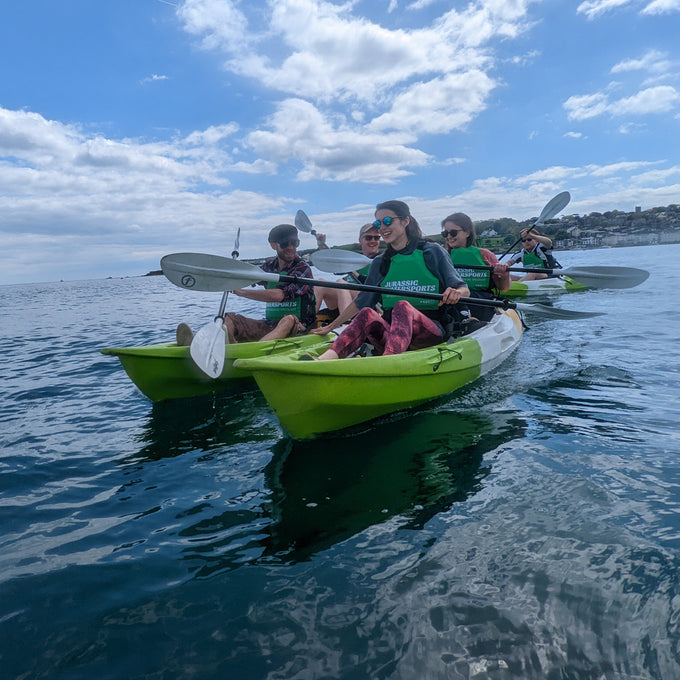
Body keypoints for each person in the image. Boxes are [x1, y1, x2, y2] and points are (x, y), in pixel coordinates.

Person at [306, 200, 470, 360]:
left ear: (406, 221)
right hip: (392, 333)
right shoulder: (380, 262)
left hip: (431, 331)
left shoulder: (432, 252)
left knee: (402, 306)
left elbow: (464, 290)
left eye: (387, 221)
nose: (382, 228)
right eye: (378, 224)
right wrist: (331, 326)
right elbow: (362, 302)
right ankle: (324, 359)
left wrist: (456, 292)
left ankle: (387, 362)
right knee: (367, 313)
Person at [176, 224, 316, 345]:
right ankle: (219, 346)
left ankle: (254, 351)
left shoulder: (303, 268)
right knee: (230, 319)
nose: (291, 247)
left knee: (288, 319)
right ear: (274, 245)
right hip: (270, 325)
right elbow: (246, 275)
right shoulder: (268, 267)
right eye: (285, 243)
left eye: (294, 243)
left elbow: (278, 296)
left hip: (299, 327)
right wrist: (228, 276)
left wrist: (240, 292)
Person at [441, 212, 510, 322]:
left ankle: (470, 322)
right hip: (452, 302)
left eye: (453, 233)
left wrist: (505, 274)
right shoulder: (441, 256)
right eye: (445, 234)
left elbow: (504, 288)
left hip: (481, 301)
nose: (449, 237)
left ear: (467, 232)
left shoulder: (485, 255)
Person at [314, 222, 382, 317]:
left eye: (377, 238)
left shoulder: (382, 260)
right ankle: (307, 322)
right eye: (368, 238)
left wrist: (354, 273)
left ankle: (347, 324)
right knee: (320, 283)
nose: (373, 241)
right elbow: (332, 261)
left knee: (341, 283)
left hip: (370, 304)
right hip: (344, 299)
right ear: (360, 240)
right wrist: (321, 245)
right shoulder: (354, 260)